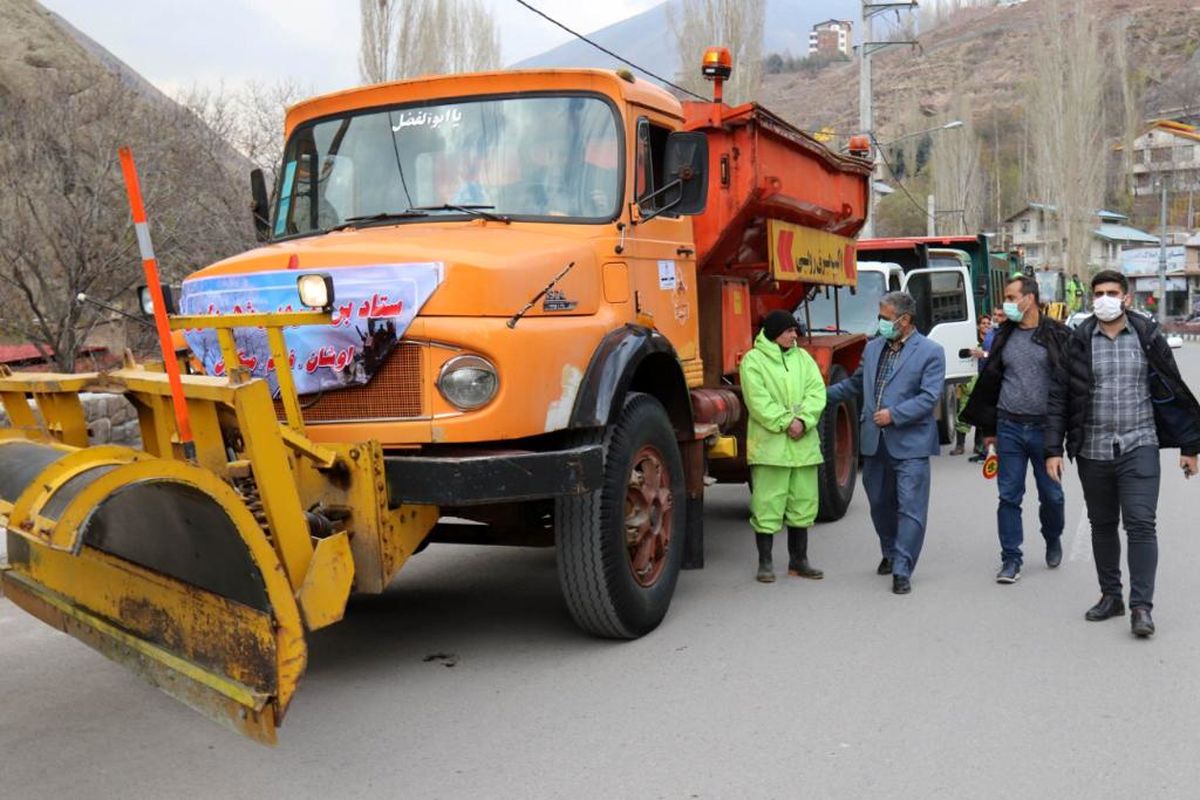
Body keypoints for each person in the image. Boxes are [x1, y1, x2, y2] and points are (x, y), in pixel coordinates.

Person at [1045, 270, 1200, 637]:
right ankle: (1111, 595)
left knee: (1141, 523)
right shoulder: (1079, 341)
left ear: (1126, 298)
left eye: (1112, 292)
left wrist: (1191, 447)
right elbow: (1059, 398)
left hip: (1139, 443)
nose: (1105, 299)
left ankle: (1141, 607)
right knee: (1102, 524)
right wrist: (1053, 448)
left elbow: (1175, 388)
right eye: (1098, 293)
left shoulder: (1146, 336)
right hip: (1093, 448)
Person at [826, 291, 946, 594]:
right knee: (880, 504)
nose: (880, 322)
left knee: (910, 507)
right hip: (874, 442)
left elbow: (930, 397)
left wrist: (895, 414)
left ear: (904, 320)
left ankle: (902, 567)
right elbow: (856, 383)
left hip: (911, 443)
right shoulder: (873, 347)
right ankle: (890, 551)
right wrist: (820, 396)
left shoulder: (931, 351)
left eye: (885, 317)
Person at [961, 275, 1071, 583]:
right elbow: (990, 384)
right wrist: (989, 430)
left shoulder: (1058, 335)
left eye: (1011, 297)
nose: (1006, 304)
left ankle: (1052, 536)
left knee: (1053, 497)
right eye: (1006, 298)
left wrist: (1066, 432)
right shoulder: (1002, 336)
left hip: (1046, 431)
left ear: (1029, 299)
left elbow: (1070, 385)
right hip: (1009, 426)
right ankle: (1011, 558)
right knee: (1009, 496)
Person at [739, 309, 828, 583]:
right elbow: (757, 400)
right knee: (767, 505)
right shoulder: (753, 361)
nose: (794, 335)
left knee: (803, 504)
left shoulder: (803, 358)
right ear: (775, 332)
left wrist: (803, 420)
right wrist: (786, 422)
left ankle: (798, 561)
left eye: (795, 330)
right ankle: (765, 563)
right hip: (771, 449)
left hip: (803, 447)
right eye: (789, 331)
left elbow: (817, 391)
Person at [951, 314, 992, 456]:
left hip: (985, 380)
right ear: (978, 325)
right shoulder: (970, 339)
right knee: (963, 413)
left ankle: (978, 445)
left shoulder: (991, 341)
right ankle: (960, 445)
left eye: (988, 323)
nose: (986, 326)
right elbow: (960, 353)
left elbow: (994, 356)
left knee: (982, 415)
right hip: (969, 382)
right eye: (983, 323)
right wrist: (970, 352)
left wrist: (984, 354)